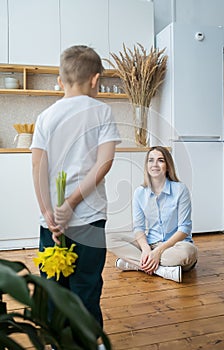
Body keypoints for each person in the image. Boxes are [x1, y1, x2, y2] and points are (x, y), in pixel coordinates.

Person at [30, 45, 121, 344]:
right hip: (90, 219)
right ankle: (88, 341)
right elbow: (104, 163)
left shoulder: (46, 116)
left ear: (60, 80)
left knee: (54, 289)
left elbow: (37, 165)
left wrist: (49, 212)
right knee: (87, 286)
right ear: (95, 80)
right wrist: (70, 205)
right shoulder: (102, 111)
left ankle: (57, 343)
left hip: (51, 223)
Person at [107, 146, 198, 283]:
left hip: (175, 246)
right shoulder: (140, 192)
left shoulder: (180, 190)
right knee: (109, 238)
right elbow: (139, 228)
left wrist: (158, 252)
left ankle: (134, 263)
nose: (154, 164)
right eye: (151, 160)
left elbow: (184, 229)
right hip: (150, 243)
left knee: (188, 253)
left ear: (167, 166)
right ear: (146, 165)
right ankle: (162, 270)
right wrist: (145, 249)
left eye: (160, 160)